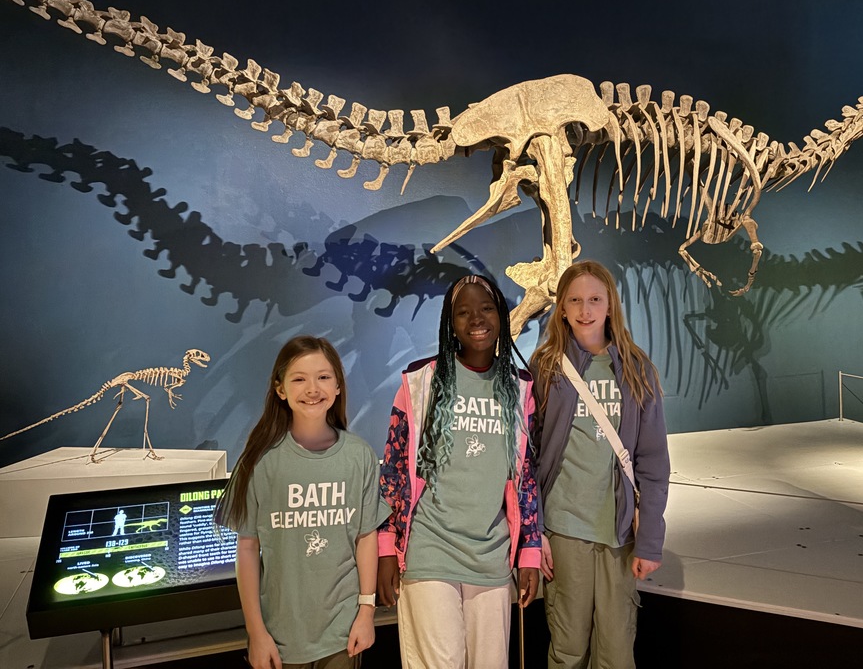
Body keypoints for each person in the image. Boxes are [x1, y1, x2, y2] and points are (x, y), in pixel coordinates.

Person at [378, 274, 541, 669]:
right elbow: (394, 469)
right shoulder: (420, 381)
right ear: (450, 323)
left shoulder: (520, 388)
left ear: (501, 314)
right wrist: (386, 546)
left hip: (492, 556)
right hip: (430, 550)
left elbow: (526, 478)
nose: (476, 319)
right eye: (463, 312)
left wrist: (530, 551)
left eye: (485, 309)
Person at [215, 335, 388, 669]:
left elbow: (366, 538)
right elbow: (247, 548)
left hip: (343, 631)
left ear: (338, 386)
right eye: (299, 379)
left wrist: (366, 612)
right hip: (281, 637)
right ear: (280, 389)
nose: (313, 388)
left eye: (323, 377)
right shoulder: (259, 461)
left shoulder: (359, 456)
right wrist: (256, 632)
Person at [530, 260, 670, 669]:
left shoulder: (636, 369)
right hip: (564, 529)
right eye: (574, 300)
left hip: (619, 533)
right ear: (561, 308)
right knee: (568, 649)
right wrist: (534, 532)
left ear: (610, 305)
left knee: (615, 652)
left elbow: (654, 462)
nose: (585, 309)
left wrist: (651, 538)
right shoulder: (547, 367)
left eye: (594, 299)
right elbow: (531, 455)